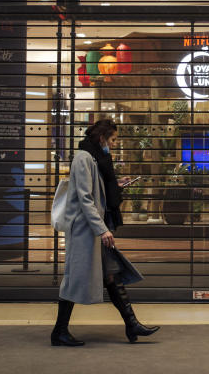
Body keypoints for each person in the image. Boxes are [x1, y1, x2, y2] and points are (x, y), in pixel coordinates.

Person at [51, 119, 160, 346]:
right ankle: (59, 332)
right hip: (84, 230)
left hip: (93, 230)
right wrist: (102, 230)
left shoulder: (94, 158)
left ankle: (132, 325)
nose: (113, 144)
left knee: (111, 274)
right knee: (73, 279)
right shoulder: (83, 158)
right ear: (101, 138)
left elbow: (95, 190)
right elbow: (85, 198)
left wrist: (115, 185)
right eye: (112, 140)